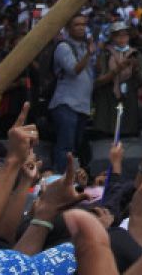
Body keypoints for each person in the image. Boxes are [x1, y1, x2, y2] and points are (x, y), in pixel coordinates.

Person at [48, 12, 96, 171]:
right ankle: (59, 178)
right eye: (77, 24)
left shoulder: (84, 47)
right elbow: (74, 70)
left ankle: (71, 179)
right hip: (66, 104)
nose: (81, 28)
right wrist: (89, 53)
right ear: (68, 28)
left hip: (81, 105)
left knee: (74, 147)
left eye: (83, 24)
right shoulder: (63, 47)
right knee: (65, 147)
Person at [93, 21, 142, 139]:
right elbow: (99, 80)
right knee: (107, 134)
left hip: (128, 99)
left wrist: (136, 69)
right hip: (108, 99)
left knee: (127, 134)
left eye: (125, 35)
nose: (122, 39)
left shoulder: (136, 54)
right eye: (118, 35)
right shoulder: (105, 54)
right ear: (112, 37)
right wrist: (117, 70)